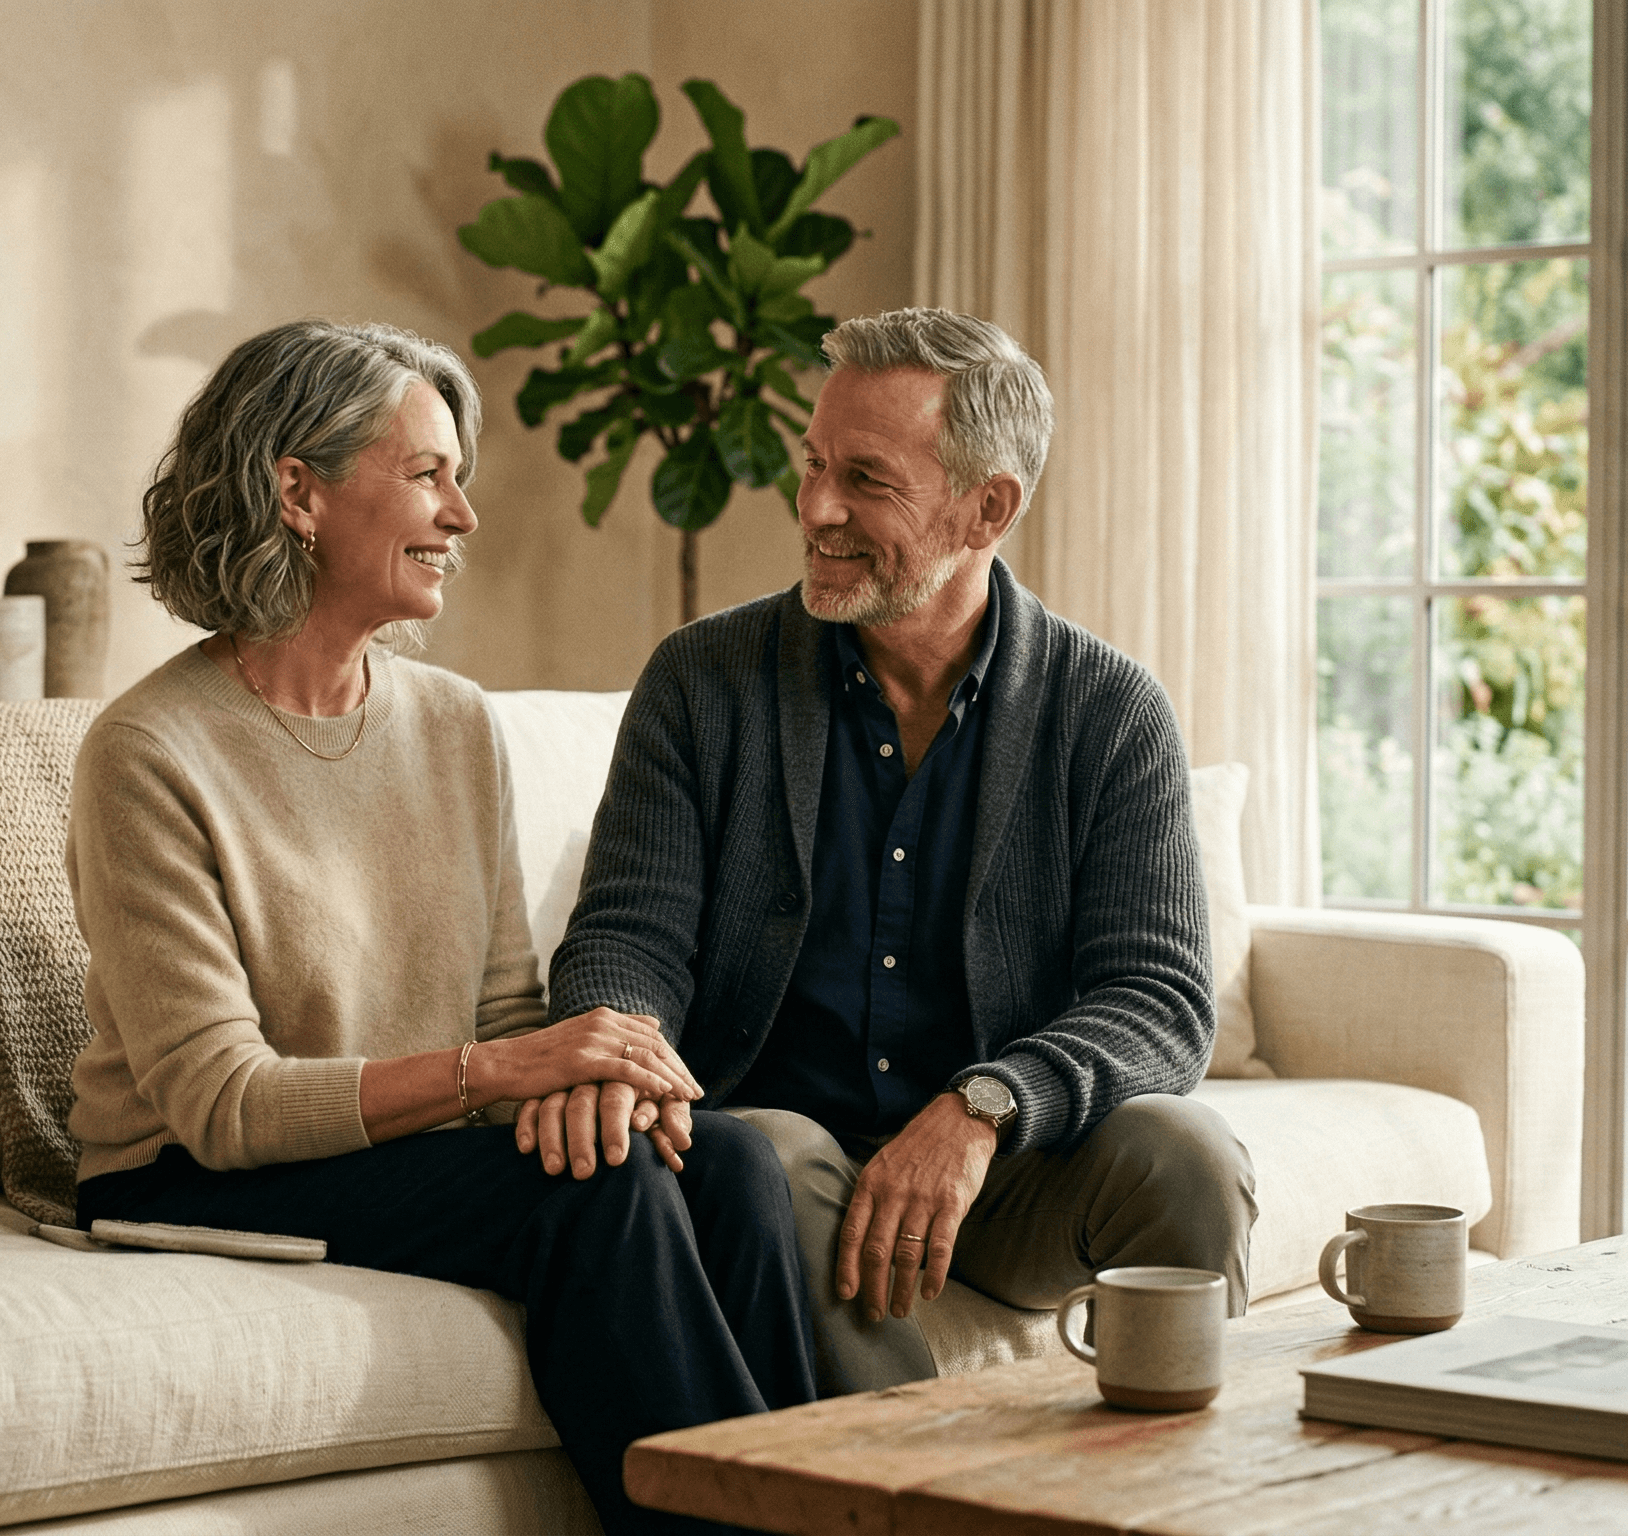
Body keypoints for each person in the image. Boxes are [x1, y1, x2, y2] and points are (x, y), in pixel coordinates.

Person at [65, 317, 817, 1534]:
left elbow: (508, 1007)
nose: (462, 516)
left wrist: (592, 1088)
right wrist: (506, 1073)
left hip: (400, 1146)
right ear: (297, 493)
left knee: (724, 1163)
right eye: (427, 475)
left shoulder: (455, 723)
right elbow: (219, 1101)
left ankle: (819, 1511)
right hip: (186, 1172)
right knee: (598, 1195)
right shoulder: (150, 751)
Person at [539, 306, 1257, 1396]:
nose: (816, 507)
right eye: (813, 464)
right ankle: (900, 1476)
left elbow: (1157, 1001)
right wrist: (618, 1050)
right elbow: (627, 936)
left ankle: (1171, 1477)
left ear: (988, 507)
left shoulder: (1109, 711)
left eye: (866, 480)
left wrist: (984, 1107)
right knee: (769, 1158)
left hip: (1006, 1170)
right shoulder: (700, 680)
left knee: (1188, 1158)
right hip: (783, 1161)